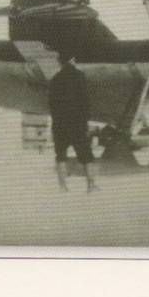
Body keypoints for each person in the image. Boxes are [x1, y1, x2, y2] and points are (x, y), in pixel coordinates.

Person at [48, 51, 98, 192]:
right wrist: (85, 121)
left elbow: (51, 104)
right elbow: (85, 101)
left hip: (60, 124)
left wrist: (57, 120)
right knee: (87, 155)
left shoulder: (55, 79)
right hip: (77, 123)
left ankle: (63, 186)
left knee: (61, 155)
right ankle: (91, 185)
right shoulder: (79, 76)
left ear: (60, 62)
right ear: (72, 60)